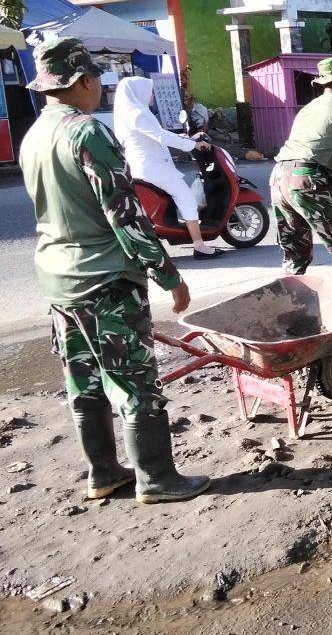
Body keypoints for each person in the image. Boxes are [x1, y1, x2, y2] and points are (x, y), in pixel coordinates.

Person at [19, 38, 209, 504]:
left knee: (82, 379)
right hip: (106, 280)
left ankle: (103, 473)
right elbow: (124, 215)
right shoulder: (86, 132)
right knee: (133, 378)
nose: (101, 90)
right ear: (82, 81)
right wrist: (169, 275)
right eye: (97, 81)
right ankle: (158, 479)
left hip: (59, 281)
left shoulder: (33, 136)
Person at [270, 57, 332, 281]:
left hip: (279, 178)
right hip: (306, 180)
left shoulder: (308, 108)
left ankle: (291, 313)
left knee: (295, 254)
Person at [113, 76, 223, 259]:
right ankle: (199, 244)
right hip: (152, 167)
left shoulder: (130, 111)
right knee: (186, 197)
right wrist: (192, 145)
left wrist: (183, 137)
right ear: (139, 91)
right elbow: (161, 137)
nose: (153, 95)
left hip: (145, 165)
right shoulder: (138, 113)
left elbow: (155, 136)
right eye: (149, 90)